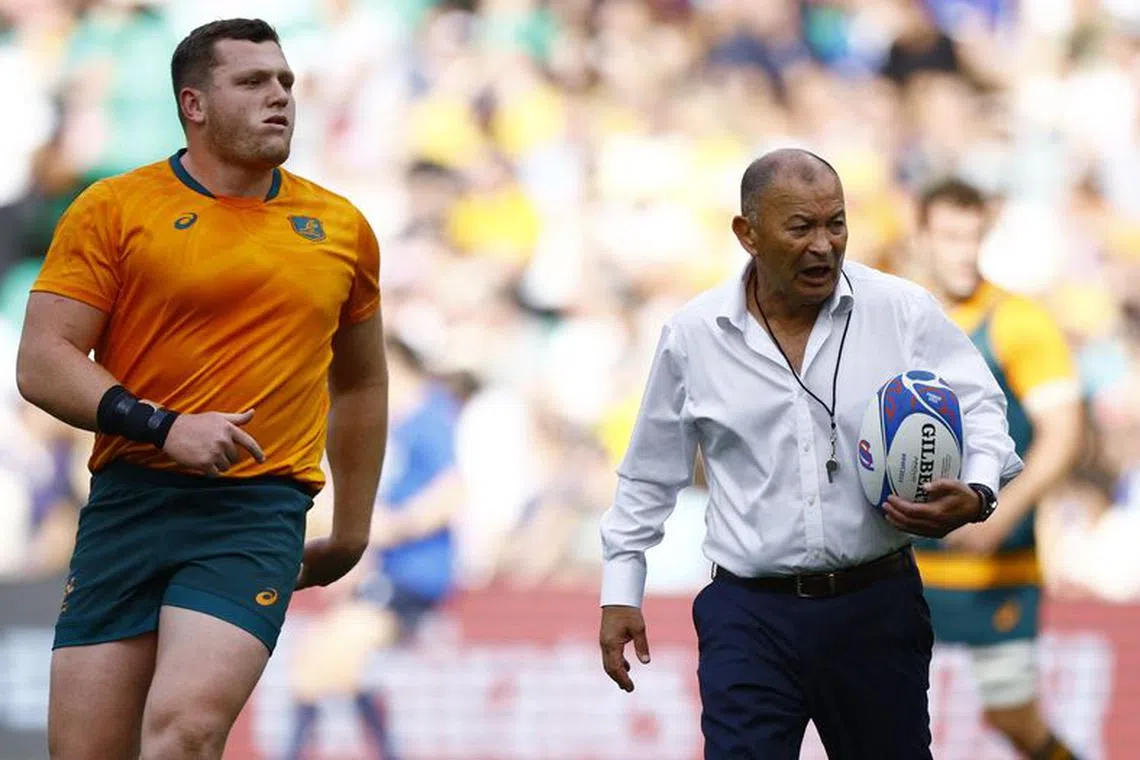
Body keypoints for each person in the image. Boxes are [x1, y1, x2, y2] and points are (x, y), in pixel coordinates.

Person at [16, 18, 388, 760]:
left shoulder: (340, 227)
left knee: (185, 730)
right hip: (128, 500)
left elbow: (361, 382)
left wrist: (351, 529)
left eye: (285, 81)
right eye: (253, 82)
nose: (280, 96)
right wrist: (163, 426)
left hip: (255, 509)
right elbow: (42, 360)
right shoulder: (114, 207)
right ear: (194, 103)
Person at [597, 148, 1023, 760]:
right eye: (800, 227)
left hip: (876, 607)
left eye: (836, 223)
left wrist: (979, 491)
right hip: (748, 617)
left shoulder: (900, 309)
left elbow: (981, 404)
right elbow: (648, 473)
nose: (824, 245)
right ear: (747, 234)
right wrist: (621, 589)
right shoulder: (694, 336)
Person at [913, 179, 1084, 760]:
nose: (964, 252)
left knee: (1012, 714)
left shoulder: (1019, 322)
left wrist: (1000, 512)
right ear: (921, 238)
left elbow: (1064, 433)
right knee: (875, 712)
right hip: (906, 564)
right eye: (949, 237)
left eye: (974, 237)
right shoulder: (895, 318)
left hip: (997, 563)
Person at [285, 338, 463, 760]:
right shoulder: (397, 425)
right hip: (388, 575)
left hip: (413, 578)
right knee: (332, 671)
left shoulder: (428, 418)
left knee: (318, 670)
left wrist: (388, 528)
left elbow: (451, 494)